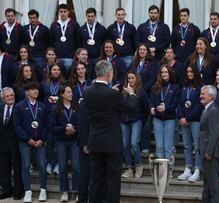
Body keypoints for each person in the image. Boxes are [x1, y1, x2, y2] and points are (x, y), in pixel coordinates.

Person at [83, 60, 138, 203]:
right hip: (112, 144)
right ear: (108, 74)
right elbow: (131, 108)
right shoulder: (112, 94)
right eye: (112, 72)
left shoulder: (87, 91)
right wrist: (131, 94)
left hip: (95, 142)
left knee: (96, 179)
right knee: (113, 181)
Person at [13, 81, 48, 202]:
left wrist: (42, 139)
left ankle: (43, 190)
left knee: (43, 166)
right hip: (25, 142)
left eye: (37, 89)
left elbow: (46, 125)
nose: (36, 91)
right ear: (27, 92)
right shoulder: (19, 106)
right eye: (33, 89)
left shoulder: (42, 106)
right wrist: (28, 139)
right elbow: (17, 126)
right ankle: (28, 191)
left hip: (40, 142)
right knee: (26, 166)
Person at [51, 85, 79, 202]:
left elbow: (82, 123)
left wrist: (74, 129)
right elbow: (52, 127)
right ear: (62, 94)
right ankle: (64, 191)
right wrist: (65, 129)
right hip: (61, 141)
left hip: (74, 140)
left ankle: (77, 191)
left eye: (71, 91)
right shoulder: (56, 109)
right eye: (68, 92)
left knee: (76, 167)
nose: (71, 94)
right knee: (62, 168)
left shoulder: (77, 107)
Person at [177, 65, 203, 182]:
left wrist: (188, 118)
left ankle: (197, 169)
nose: (189, 73)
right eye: (187, 71)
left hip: (195, 119)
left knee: (197, 146)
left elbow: (200, 104)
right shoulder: (184, 86)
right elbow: (180, 102)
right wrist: (182, 116)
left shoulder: (200, 86)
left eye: (191, 71)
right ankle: (188, 168)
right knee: (187, 145)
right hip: (184, 119)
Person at [120, 71, 148, 178]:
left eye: (132, 78)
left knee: (134, 143)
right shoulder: (123, 92)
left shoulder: (141, 92)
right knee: (125, 144)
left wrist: (141, 120)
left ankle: (138, 165)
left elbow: (145, 108)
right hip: (124, 121)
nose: (130, 80)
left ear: (137, 79)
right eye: (128, 78)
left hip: (136, 120)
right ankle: (129, 168)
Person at [199, 85, 219, 203]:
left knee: (213, 185)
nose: (200, 96)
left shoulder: (213, 110)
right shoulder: (207, 109)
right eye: (201, 93)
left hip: (211, 153)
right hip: (206, 151)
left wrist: (209, 151)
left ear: (211, 96)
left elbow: (215, 133)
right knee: (207, 183)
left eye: (203, 94)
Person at [150, 64, 179, 159]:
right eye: (162, 72)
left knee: (168, 145)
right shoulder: (155, 86)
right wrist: (152, 108)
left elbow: (175, 103)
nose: (164, 74)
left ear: (170, 73)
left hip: (169, 118)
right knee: (159, 145)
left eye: (166, 72)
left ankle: (168, 171)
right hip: (157, 118)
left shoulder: (175, 87)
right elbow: (151, 100)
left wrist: (166, 108)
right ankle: (161, 171)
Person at [0, 87, 24, 200]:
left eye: (12, 95)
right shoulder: (0, 108)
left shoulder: (19, 108)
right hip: (3, 144)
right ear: (3, 98)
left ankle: (18, 191)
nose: (10, 98)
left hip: (16, 143)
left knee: (18, 168)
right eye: (8, 96)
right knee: (4, 168)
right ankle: (6, 190)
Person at [49, 4, 80, 72]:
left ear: (68, 12)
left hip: (70, 57)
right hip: (57, 57)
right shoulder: (54, 25)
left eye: (65, 11)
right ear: (58, 12)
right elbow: (51, 41)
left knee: (70, 77)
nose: (63, 13)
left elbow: (78, 41)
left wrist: (75, 56)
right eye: (61, 11)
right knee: (59, 77)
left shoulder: (74, 24)